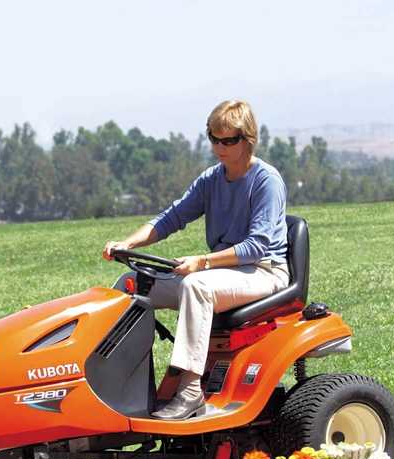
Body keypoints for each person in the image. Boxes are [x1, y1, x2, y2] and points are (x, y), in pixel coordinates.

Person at [103, 100, 289, 420]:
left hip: (263, 271)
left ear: (248, 139)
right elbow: (171, 218)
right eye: (214, 139)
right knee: (131, 285)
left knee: (196, 285)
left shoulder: (266, 181)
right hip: (225, 272)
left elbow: (256, 247)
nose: (220, 147)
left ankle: (190, 392)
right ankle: (122, 382)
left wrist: (202, 262)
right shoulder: (211, 180)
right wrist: (127, 243)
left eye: (228, 140)